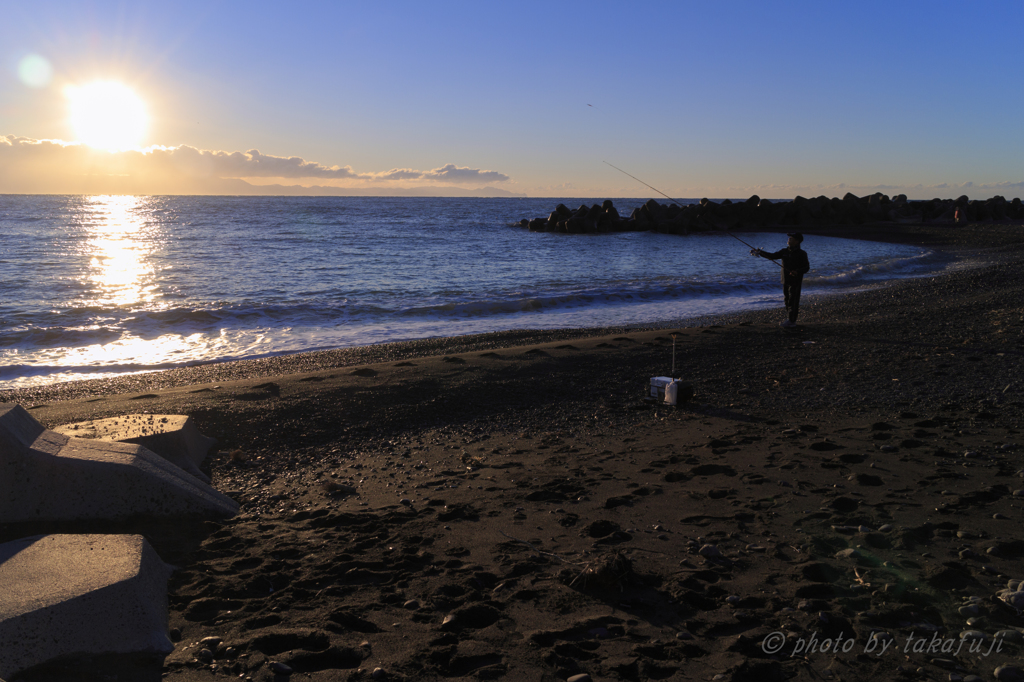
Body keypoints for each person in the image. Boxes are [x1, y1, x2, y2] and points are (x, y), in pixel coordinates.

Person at [751, 233, 810, 328]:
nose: (789, 239)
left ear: (797, 241)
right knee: (787, 300)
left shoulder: (802, 253)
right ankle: (790, 319)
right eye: (789, 238)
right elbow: (772, 256)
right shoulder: (784, 251)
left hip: (796, 281)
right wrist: (759, 252)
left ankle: (792, 321)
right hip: (785, 280)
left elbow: (806, 268)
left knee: (793, 301)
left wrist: (797, 271)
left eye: (791, 238)